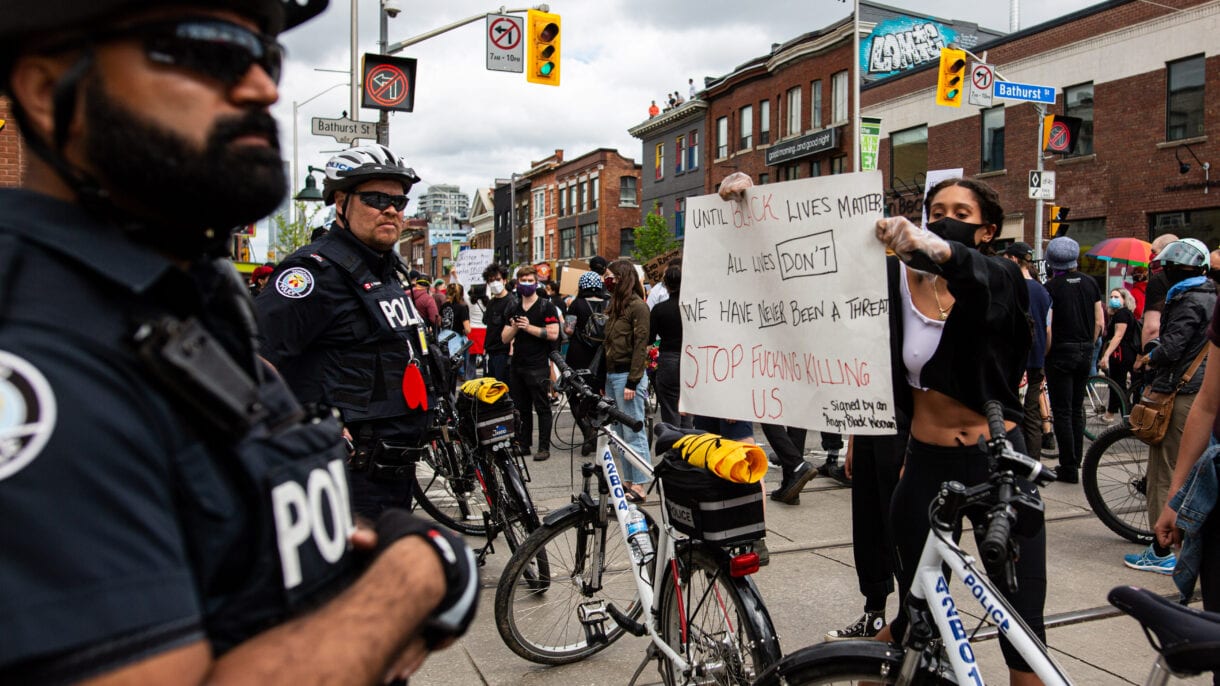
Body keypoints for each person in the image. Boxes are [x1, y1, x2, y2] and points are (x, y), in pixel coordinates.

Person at [0, 2, 478, 683]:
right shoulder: (35, 346)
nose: (262, 87)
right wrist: (418, 576)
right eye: (209, 47)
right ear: (50, 92)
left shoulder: (181, 296)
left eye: (267, 57)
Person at [875, 178, 1043, 685]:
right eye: (937, 210)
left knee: (1023, 629)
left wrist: (942, 250)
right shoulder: (892, 279)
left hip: (998, 468)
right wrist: (755, 211)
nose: (946, 218)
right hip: (926, 464)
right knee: (914, 616)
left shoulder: (1002, 279)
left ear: (987, 230)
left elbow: (981, 276)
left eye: (961, 213)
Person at [258, 144, 436, 520]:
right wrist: (305, 425)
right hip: (343, 480)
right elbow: (253, 361)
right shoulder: (313, 274)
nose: (390, 209)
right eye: (375, 199)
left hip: (395, 475)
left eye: (399, 202)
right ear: (341, 202)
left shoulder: (385, 271)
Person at [1127, 238, 1216, 572]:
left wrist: (1149, 357)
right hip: (1201, 389)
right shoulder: (1210, 295)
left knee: (1164, 473)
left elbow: (1174, 347)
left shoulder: (1187, 299)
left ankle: (1160, 550)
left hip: (1181, 393)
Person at [1042, 235, 1103, 484]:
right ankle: (1076, 459)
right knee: (1077, 408)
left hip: (1060, 352)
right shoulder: (1091, 283)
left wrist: (1047, 353)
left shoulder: (1051, 289)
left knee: (1062, 411)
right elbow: (1099, 322)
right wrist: (1089, 343)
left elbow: (1049, 327)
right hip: (1084, 349)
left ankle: (1068, 466)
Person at [604, 259, 654, 502]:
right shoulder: (616, 305)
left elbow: (640, 346)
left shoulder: (638, 307)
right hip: (613, 375)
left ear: (622, 277)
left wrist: (633, 382)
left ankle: (641, 483)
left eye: (610, 276)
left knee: (634, 431)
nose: (607, 280)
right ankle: (628, 480)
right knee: (619, 434)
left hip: (627, 376)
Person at [501, 265, 561, 461]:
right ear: (517, 283)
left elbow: (553, 333)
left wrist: (529, 328)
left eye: (530, 281)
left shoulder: (546, 306)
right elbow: (504, 337)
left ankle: (544, 447)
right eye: (523, 281)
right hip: (518, 363)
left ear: (536, 283)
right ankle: (523, 444)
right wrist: (516, 329)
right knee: (521, 407)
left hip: (538, 365)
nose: (526, 284)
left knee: (542, 407)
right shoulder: (513, 306)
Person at [1004, 241, 1054, 461]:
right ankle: (1032, 463)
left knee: (1010, 413)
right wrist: (1042, 354)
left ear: (1014, 260)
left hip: (1014, 361)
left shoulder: (1010, 287)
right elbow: (1048, 329)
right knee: (1032, 415)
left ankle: (1015, 460)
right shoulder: (1042, 291)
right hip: (1036, 360)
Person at [565, 271, 610, 454]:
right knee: (597, 394)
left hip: (579, 353)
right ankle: (596, 428)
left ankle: (586, 431)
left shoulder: (576, 304)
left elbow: (568, 330)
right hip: (601, 356)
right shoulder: (609, 303)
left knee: (574, 392)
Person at [649, 263, 691, 432]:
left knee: (670, 407)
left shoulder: (659, 309)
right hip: (690, 357)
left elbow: (650, 339)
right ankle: (690, 446)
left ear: (665, 285)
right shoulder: (692, 308)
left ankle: (674, 449)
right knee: (688, 407)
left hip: (668, 358)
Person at [1098, 287, 1140, 423]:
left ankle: (1126, 418)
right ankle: (1111, 413)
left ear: (1124, 299)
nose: (1112, 299)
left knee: (1119, 386)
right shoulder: (1123, 314)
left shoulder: (1122, 314)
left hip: (1121, 354)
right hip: (1123, 353)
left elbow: (1118, 336)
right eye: (1111, 297)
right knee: (1116, 384)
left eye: (1117, 297)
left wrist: (1106, 355)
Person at [1143, 233, 1180, 347]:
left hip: (1164, 346)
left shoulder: (1158, 281)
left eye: (1154, 252)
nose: (1151, 257)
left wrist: (1144, 356)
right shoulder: (1194, 279)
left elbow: (1152, 328)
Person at [480, 262, 514, 383]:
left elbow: (513, 330)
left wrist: (511, 354)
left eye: (498, 279)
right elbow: (489, 327)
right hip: (490, 352)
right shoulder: (491, 303)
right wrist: (485, 348)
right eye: (491, 280)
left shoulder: (511, 302)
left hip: (503, 353)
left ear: (505, 280)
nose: (494, 283)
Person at [438, 282, 472, 365]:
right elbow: (467, 329)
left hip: (443, 339)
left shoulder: (444, 306)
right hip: (457, 342)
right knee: (458, 366)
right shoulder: (462, 308)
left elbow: (439, 323)